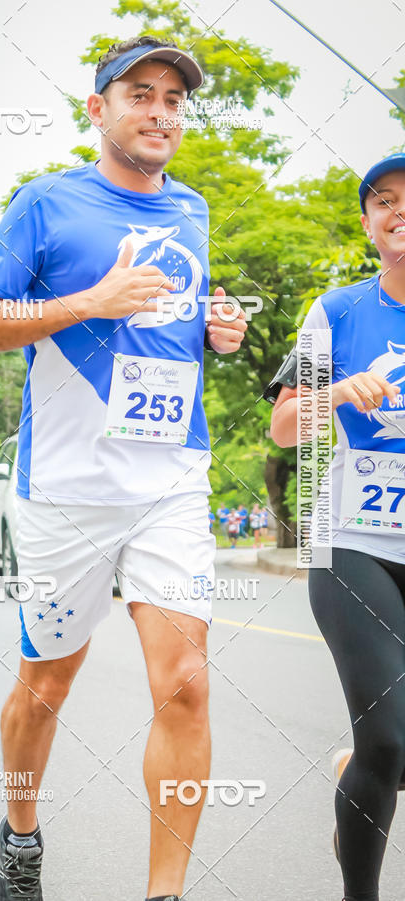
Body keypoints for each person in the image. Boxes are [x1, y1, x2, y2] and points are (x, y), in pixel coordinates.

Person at [0, 35, 248, 901]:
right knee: (45, 686)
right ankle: (20, 834)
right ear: (99, 109)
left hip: (170, 479)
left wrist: (216, 333)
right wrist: (89, 301)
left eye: (174, 99)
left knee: (186, 687)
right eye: (140, 94)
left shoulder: (191, 208)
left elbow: (164, 325)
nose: (160, 112)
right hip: (67, 490)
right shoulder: (45, 203)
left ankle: (166, 892)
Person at [266, 153, 405, 901]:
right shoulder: (338, 312)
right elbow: (286, 426)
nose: (399, 210)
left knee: (392, 751)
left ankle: (360, 772)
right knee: (386, 738)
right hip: (352, 543)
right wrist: (340, 392)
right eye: (384, 201)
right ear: (368, 224)